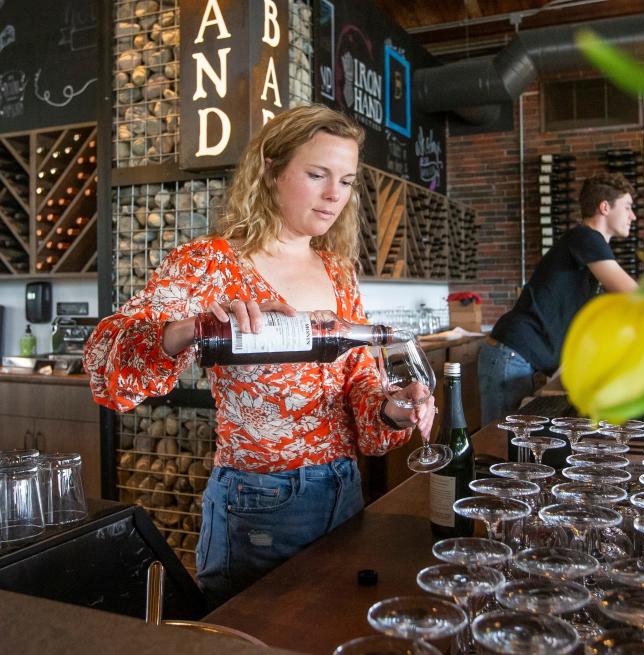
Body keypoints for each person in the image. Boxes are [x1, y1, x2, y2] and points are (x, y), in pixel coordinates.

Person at [83, 105, 435, 607]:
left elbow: (359, 381)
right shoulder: (209, 264)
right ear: (271, 171)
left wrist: (392, 406)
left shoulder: (338, 272)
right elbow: (104, 365)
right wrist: (194, 327)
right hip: (260, 502)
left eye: (347, 181)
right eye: (317, 175)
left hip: (345, 488)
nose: (335, 194)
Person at [479, 171, 644, 425]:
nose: (633, 216)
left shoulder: (590, 247)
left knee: (515, 447)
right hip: (510, 354)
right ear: (604, 207)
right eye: (628, 206)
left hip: (517, 356)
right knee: (501, 447)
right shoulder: (585, 237)